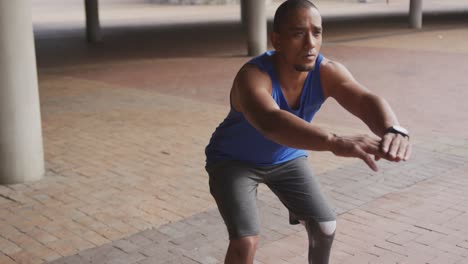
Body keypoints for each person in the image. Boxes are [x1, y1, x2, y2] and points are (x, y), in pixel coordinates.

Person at [205, 0, 411, 263]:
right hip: (233, 162)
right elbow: (271, 121)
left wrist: (393, 129)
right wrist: (334, 141)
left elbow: (363, 99)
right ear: (277, 40)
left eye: (317, 32)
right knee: (246, 241)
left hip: (286, 158)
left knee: (325, 227)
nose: (310, 43)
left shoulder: (327, 71)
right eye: (298, 33)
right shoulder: (253, 77)